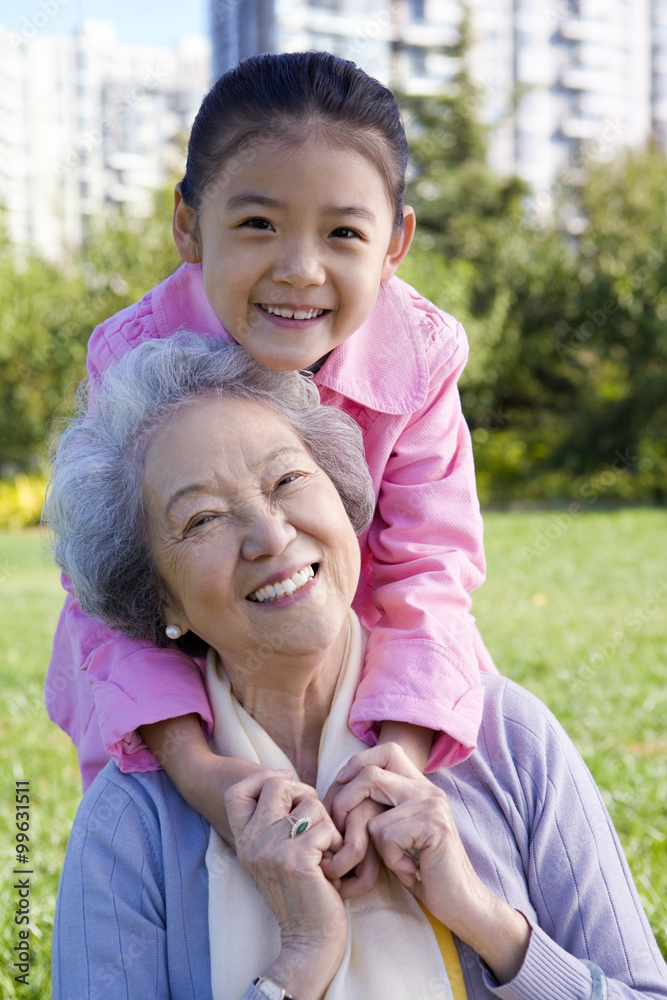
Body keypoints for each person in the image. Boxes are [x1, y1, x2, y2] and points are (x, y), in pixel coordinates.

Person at [48, 336, 667, 999]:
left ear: (344, 503)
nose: (271, 535)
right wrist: (300, 963)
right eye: (202, 519)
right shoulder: (130, 824)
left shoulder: (506, 739)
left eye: (287, 479)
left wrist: (485, 921)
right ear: (160, 599)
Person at [46, 50, 497, 884]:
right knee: (171, 866)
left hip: (360, 666)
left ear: (394, 242)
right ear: (188, 225)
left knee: (422, 853)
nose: (299, 269)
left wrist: (393, 754)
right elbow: (109, 603)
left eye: (343, 233)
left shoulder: (419, 358)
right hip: (199, 672)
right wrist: (199, 770)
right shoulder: (135, 356)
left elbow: (428, 570)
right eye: (257, 224)